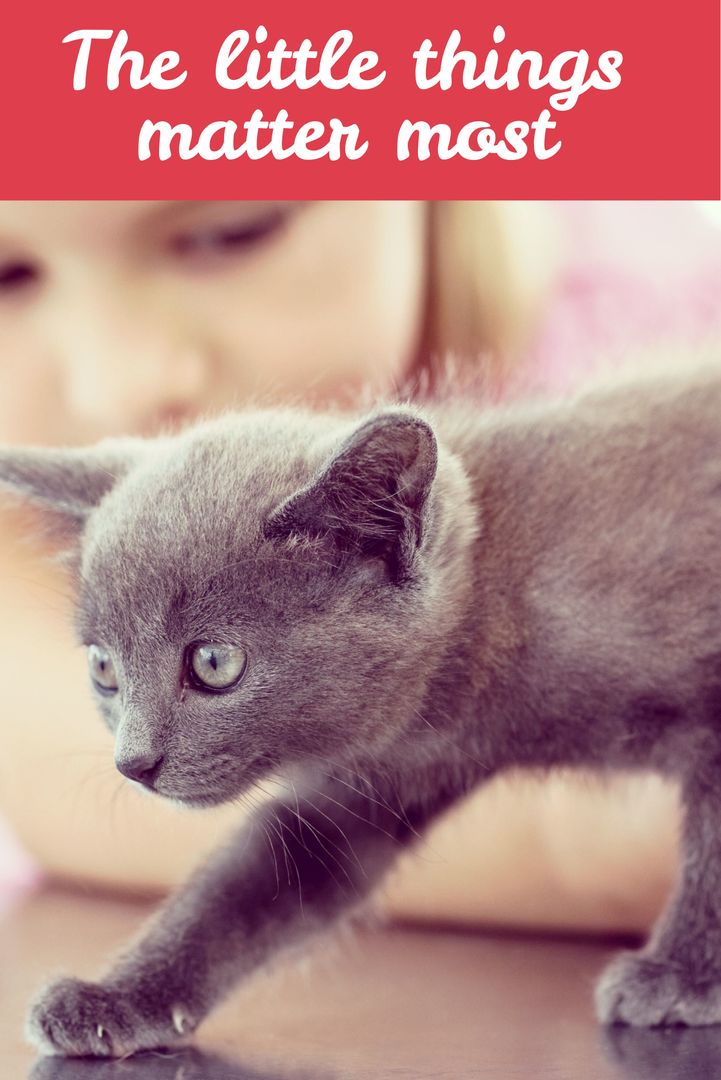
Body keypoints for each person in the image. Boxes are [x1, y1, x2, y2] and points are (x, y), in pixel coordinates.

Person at [3, 198, 718, 935]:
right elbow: (34, 755)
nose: (116, 383)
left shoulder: (659, 302)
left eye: (229, 233)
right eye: (4, 277)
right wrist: (579, 846)